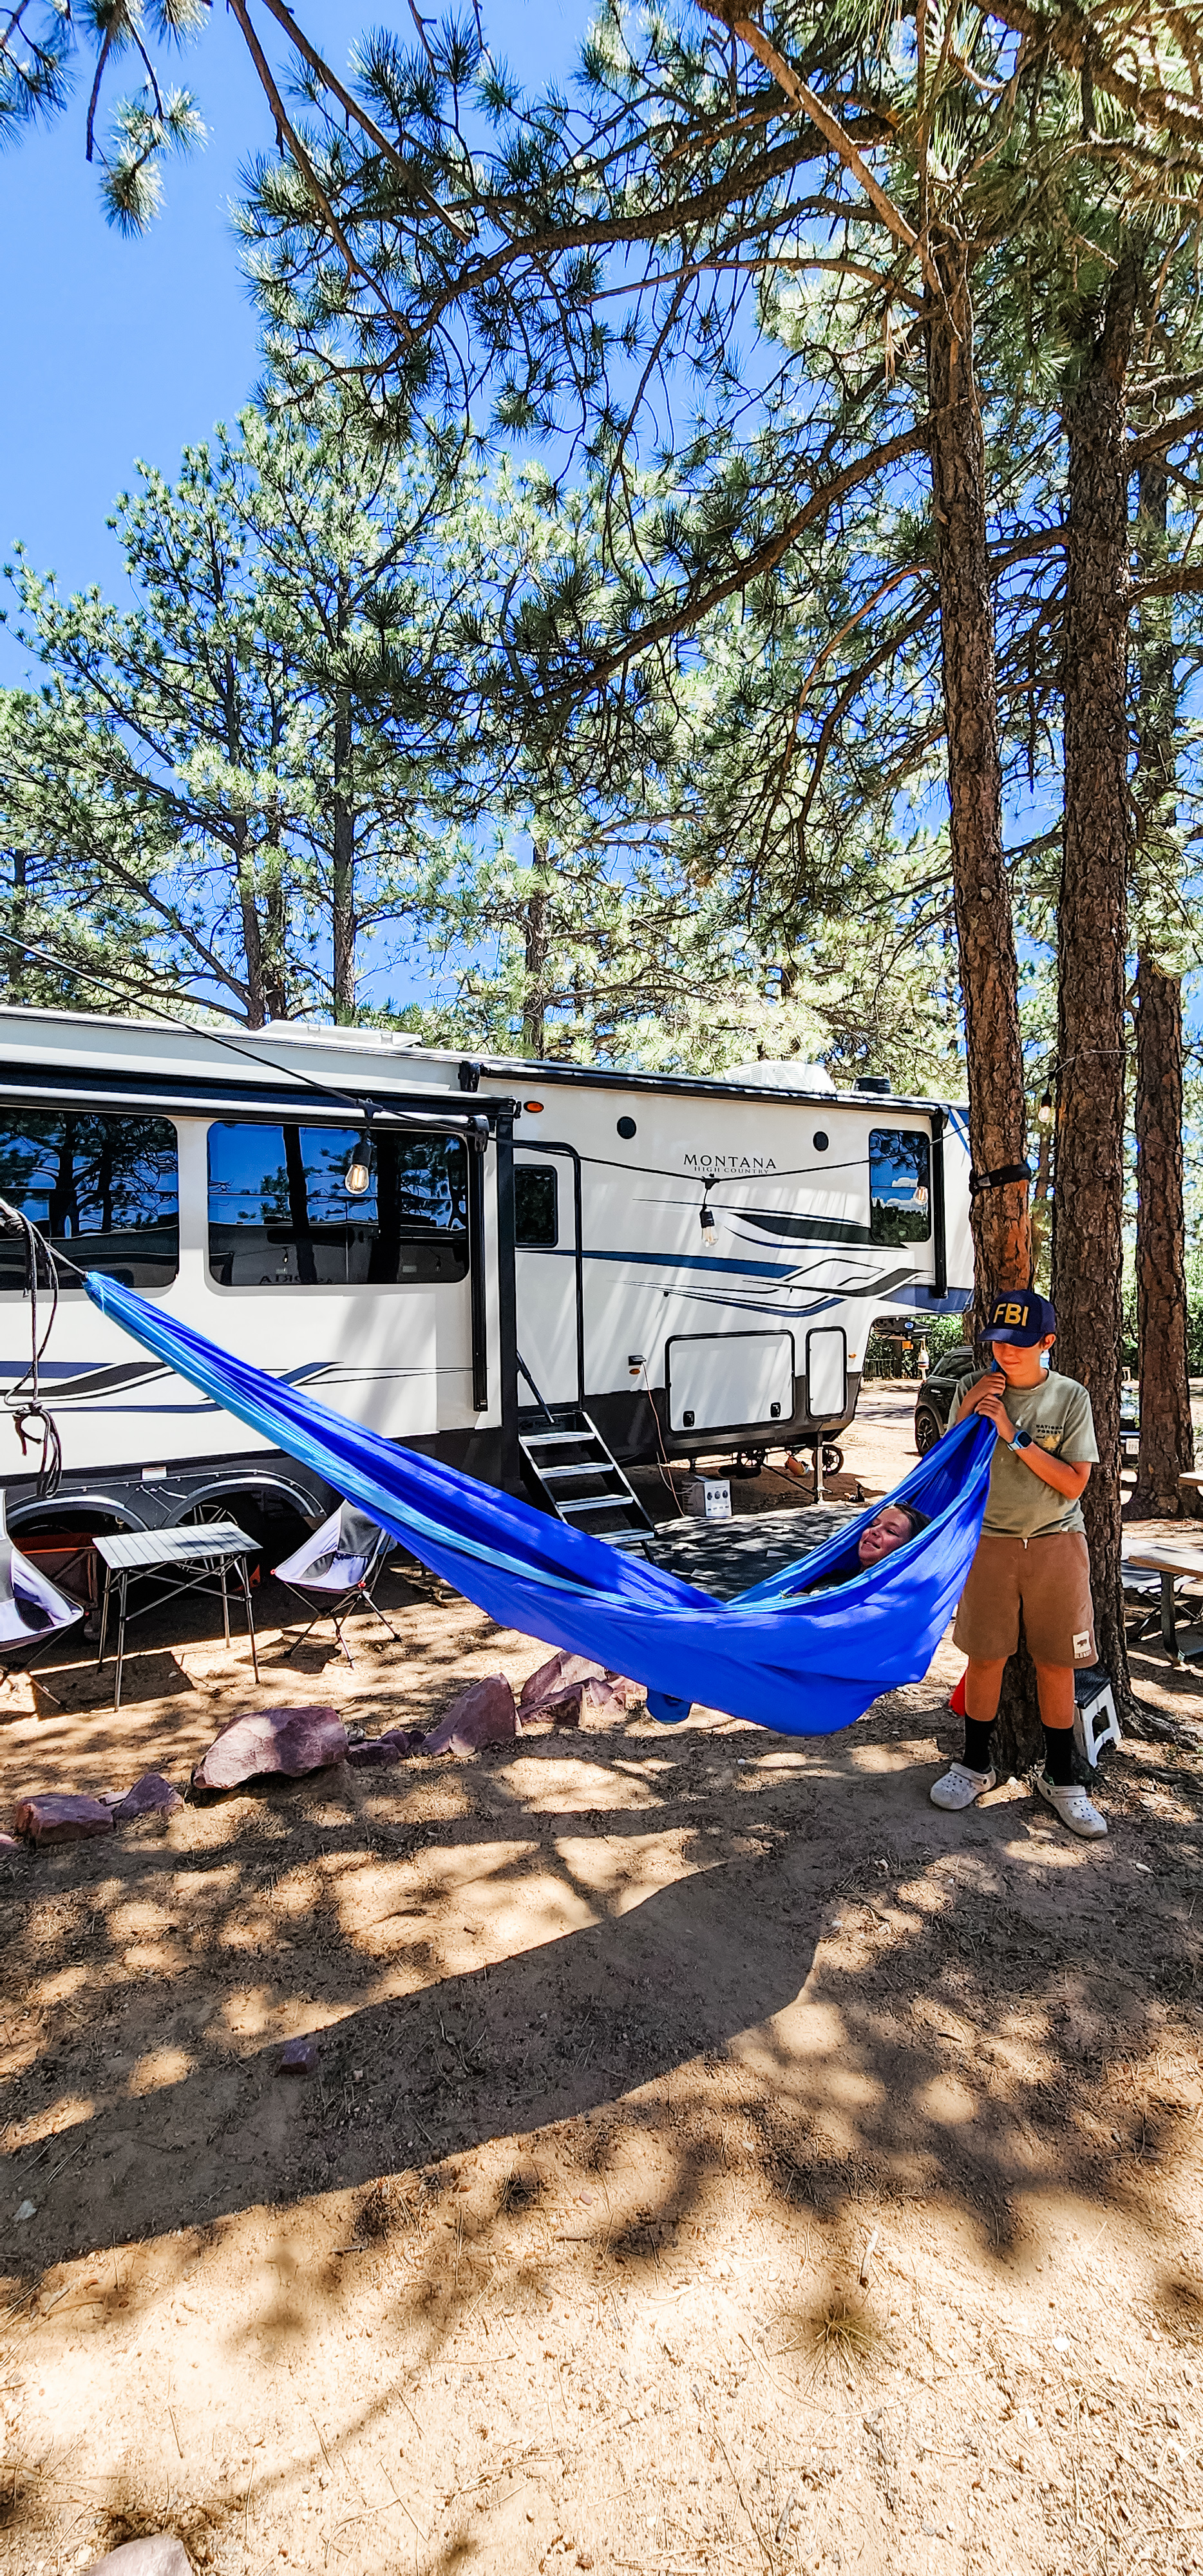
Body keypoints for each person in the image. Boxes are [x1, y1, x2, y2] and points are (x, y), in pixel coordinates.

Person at [929, 1288, 1104, 1840]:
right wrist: (968, 1407)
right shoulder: (971, 1386)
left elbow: (1074, 1484)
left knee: (1058, 1664)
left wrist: (1014, 1433)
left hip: (1056, 1543)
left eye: (1020, 1345)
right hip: (988, 1544)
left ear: (1047, 1343)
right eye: (998, 1343)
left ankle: (1061, 1778)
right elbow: (945, 1467)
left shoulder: (1070, 1398)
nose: (1006, 1354)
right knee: (986, 1659)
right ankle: (975, 1765)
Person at [802, 1501, 929, 1589]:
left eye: (890, 1531)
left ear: (909, 1548)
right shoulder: (834, 1576)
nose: (874, 1531)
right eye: (874, 1525)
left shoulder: (884, 1598)